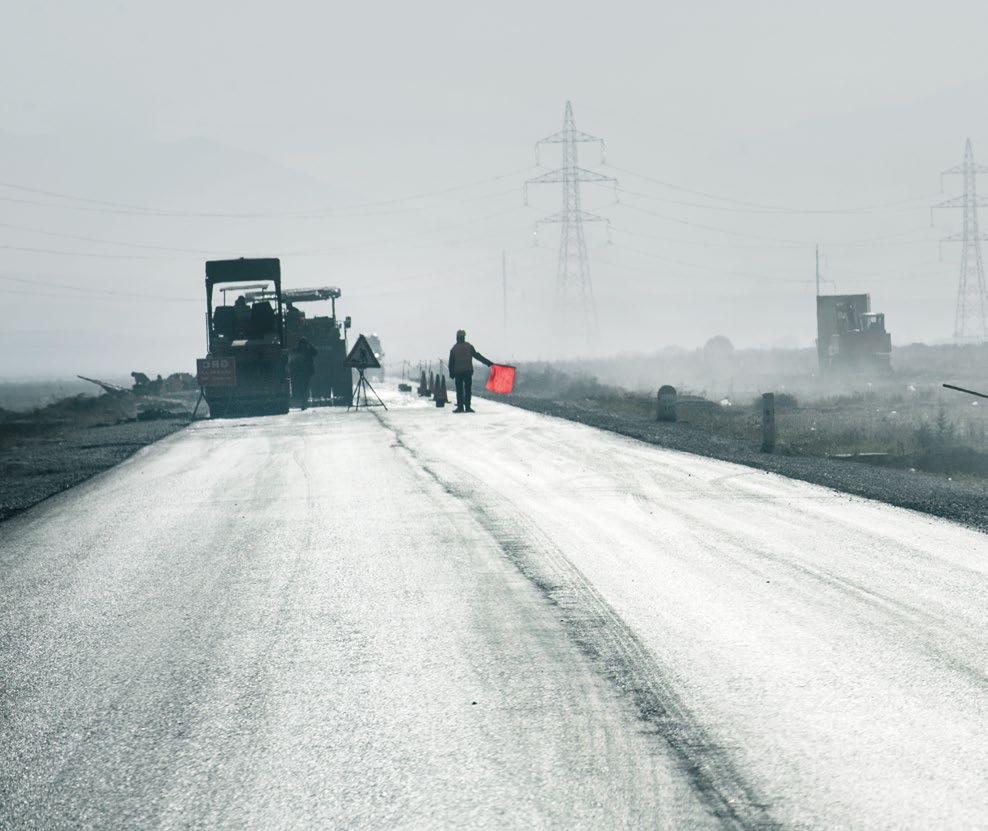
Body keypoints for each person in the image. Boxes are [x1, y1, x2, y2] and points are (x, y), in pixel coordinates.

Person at [448, 329, 492, 413]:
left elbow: (451, 363)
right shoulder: (469, 346)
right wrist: (488, 363)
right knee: (468, 390)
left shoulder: (454, 348)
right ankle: (468, 407)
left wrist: (451, 373)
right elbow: (477, 356)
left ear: (457, 337)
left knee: (459, 390)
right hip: (468, 372)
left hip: (458, 373)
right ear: (464, 337)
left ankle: (460, 407)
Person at [290, 338, 318, 410]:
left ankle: (304, 403)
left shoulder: (308, 350)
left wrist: (310, 345)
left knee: (305, 388)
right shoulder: (299, 351)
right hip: (301, 372)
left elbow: (315, 352)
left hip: (306, 372)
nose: (303, 345)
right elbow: (292, 358)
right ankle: (304, 403)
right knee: (303, 388)